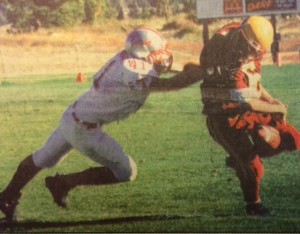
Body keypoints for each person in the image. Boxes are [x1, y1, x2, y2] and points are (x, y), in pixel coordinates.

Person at [0, 27, 203, 223]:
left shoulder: (128, 59)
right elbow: (169, 85)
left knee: (41, 158)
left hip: (73, 116)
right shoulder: (132, 69)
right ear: (145, 50)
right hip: (84, 129)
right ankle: (64, 183)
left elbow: (155, 69)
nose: (161, 55)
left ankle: (7, 196)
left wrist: (189, 69)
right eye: (156, 51)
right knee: (126, 171)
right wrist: (198, 74)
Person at [199, 16, 300, 216]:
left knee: (293, 139)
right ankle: (253, 205)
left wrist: (271, 101)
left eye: (246, 43)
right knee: (254, 167)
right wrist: (277, 109)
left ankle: (239, 159)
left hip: (245, 106)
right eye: (241, 38)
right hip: (226, 116)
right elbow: (245, 99)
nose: (240, 44)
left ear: (258, 48)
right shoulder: (228, 57)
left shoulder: (253, 45)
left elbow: (253, 85)